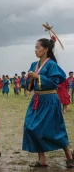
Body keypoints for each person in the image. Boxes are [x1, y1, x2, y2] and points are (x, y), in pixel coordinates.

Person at [22, 37, 74, 168]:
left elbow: (54, 82)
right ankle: (42, 159)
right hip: (37, 100)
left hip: (50, 100)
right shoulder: (34, 65)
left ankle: (69, 155)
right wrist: (28, 79)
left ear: (46, 49)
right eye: (35, 47)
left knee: (54, 129)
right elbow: (29, 85)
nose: (35, 50)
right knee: (31, 126)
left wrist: (38, 76)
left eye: (38, 47)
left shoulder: (52, 65)